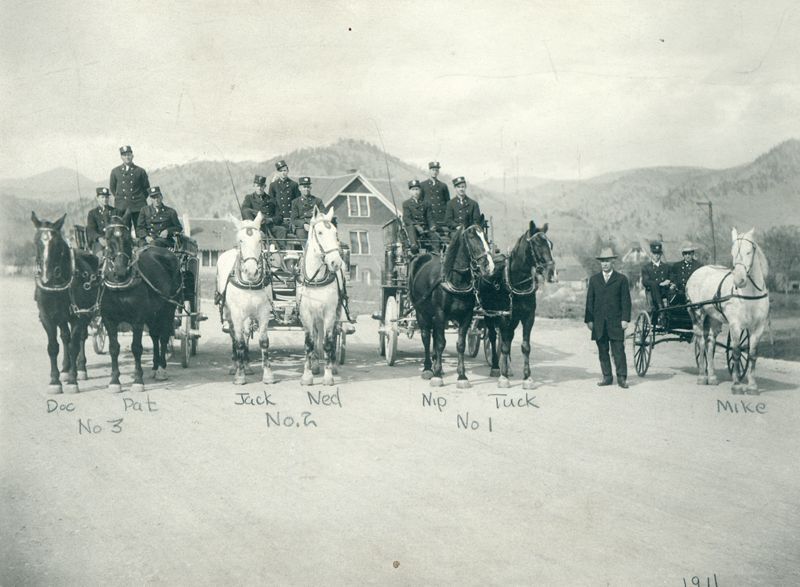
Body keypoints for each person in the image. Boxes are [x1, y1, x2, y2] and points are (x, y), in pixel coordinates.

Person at [585, 247, 632, 388]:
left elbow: (626, 301)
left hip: (616, 322)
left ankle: (622, 378)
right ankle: (607, 377)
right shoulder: (594, 280)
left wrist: (625, 319)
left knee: (618, 350)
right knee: (602, 350)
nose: (605, 264)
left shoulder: (621, 279)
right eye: (602, 261)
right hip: (599, 322)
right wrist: (589, 320)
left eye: (607, 261)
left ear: (613, 262)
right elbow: (589, 301)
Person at [109, 145, 150, 233]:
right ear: (121, 157)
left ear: (132, 156)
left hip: (138, 206)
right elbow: (113, 188)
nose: (127, 157)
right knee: (123, 231)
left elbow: (146, 189)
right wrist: (121, 199)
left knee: (141, 230)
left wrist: (139, 198)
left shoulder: (140, 171)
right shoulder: (115, 171)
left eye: (129, 155)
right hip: (122, 206)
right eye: (124, 155)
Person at [241, 174, 287, 245]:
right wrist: (258, 218)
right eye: (257, 186)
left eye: (261, 186)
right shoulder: (249, 198)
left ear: (264, 186)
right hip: (256, 228)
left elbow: (280, 217)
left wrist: (270, 220)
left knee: (282, 230)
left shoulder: (271, 200)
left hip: (269, 226)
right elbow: (245, 211)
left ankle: (280, 250)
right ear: (254, 186)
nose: (259, 188)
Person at [402, 179, 441, 254]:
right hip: (413, 229)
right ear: (410, 191)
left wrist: (432, 226)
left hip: (425, 228)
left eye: (417, 189)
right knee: (411, 228)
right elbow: (406, 218)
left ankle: (436, 253)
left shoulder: (426, 203)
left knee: (434, 236)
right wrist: (416, 226)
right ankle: (414, 246)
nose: (415, 192)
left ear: (420, 190)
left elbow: (430, 217)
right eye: (413, 190)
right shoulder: (406, 204)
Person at [268, 160, 301, 237]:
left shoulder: (294, 185)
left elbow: (298, 202)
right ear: (278, 172)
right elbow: (271, 203)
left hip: (291, 218)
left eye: (285, 170)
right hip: (278, 219)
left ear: (288, 171)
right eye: (281, 171)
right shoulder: (273, 185)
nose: (283, 173)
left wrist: (294, 218)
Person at [291, 177, 327, 242]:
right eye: (304, 187)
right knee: (302, 235)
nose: (306, 189)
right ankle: (306, 248)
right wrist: (304, 224)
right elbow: (294, 219)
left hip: (316, 224)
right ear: (299, 188)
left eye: (308, 187)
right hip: (302, 227)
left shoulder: (317, 201)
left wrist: (315, 223)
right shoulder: (295, 202)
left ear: (310, 188)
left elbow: (323, 214)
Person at [86, 187, 119, 255]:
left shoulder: (115, 211)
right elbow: (91, 230)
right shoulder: (93, 213)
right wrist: (99, 238)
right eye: (102, 197)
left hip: (114, 241)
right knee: (100, 256)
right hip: (99, 241)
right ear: (97, 198)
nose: (105, 199)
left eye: (106, 197)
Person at [641, 240, 672, 312]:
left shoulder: (666, 266)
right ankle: (660, 308)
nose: (657, 255)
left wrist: (669, 281)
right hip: (653, 294)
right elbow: (645, 281)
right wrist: (659, 283)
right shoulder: (646, 268)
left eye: (658, 253)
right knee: (654, 285)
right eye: (654, 253)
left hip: (666, 291)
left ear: (661, 254)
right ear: (651, 254)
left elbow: (671, 276)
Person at [420, 161, 450, 227]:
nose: (435, 172)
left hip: (441, 217)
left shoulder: (443, 186)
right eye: (433, 170)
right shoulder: (423, 185)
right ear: (429, 171)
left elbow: (448, 202)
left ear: (438, 172)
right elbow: (420, 201)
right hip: (428, 217)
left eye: (436, 170)